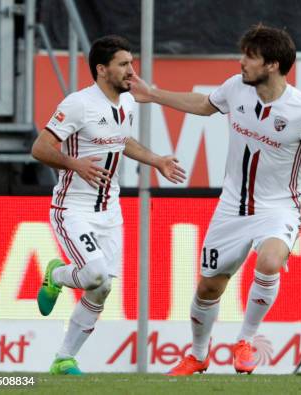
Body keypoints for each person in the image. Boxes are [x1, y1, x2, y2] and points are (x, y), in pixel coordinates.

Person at [129, 24, 301, 376]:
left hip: (279, 207)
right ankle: (198, 355)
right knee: (208, 286)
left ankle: (245, 340)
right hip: (231, 207)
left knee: (270, 260)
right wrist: (153, 94)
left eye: (250, 57)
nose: (241, 62)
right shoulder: (236, 88)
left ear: (272, 65)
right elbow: (204, 105)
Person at [32, 35, 186, 375]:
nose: (132, 71)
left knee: (101, 287)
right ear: (102, 70)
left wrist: (156, 159)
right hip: (73, 208)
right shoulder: (78, 104)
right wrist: (76, 164)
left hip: (110, 211)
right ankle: (56, 274)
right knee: (96, 273)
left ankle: (63, 358)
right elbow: (39, 148)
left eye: (131, 63)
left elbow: (121, 141)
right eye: (124, 64)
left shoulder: (127, 103)